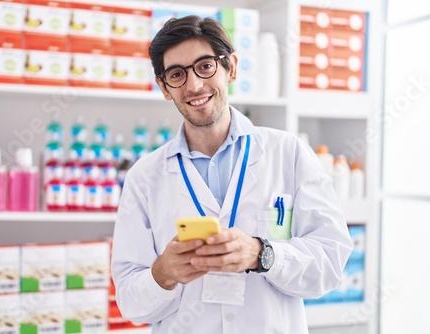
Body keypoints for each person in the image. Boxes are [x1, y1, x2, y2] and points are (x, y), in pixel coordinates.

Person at [111, 15, 353, 333]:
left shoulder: (288, 153)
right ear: (164, 87)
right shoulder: (145, 176)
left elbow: (330, 263)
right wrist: (163, 273)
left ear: (231, 67)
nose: (194, 85)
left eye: (205, 66)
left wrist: (263, 254)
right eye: (177, 74)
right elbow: (130, 302)